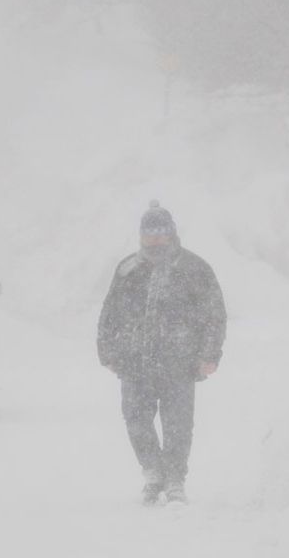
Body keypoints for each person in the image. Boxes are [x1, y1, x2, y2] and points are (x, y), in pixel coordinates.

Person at [96, 200, 227, 505]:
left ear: (171, 233)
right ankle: (153, 472)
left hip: (179, 362)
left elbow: (214, 314)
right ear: (141, 235)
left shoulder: (194, 268)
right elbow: (110, 313)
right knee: (136, 421)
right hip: (134, 362)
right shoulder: (128, 270)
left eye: (161, 232)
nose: (155, 239)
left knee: (178, 425)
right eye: (149, 233)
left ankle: (175, 479)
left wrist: (209, 354)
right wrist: (108, 352)